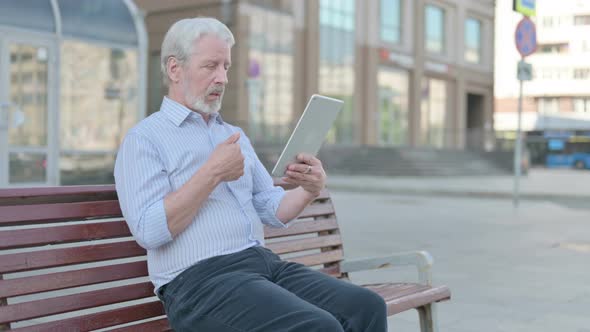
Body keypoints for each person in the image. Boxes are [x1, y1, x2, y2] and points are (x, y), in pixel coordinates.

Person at [114, 17, 386, 332]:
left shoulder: (233, 135)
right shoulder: (144, 138)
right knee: (318, 327)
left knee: (365, 307)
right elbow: (148, 230)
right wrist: (212, 173)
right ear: (175, 69)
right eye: (211, 66)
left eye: (226, 67)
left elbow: (271, 207)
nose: (223, 78)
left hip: (262, 266)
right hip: (198, 283)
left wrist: (309, 190)